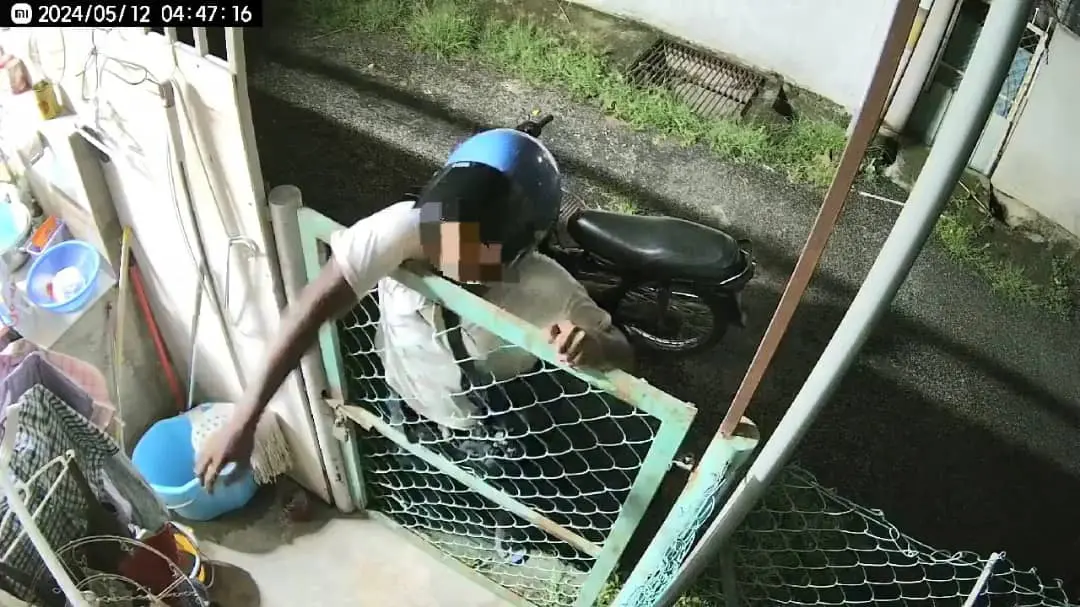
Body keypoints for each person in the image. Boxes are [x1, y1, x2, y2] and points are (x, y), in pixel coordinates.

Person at [196, 127, 633, 489]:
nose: (442, 265)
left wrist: (594, 347)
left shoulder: (545, 284)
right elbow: (306, 314)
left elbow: (623, 350)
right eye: (436, 246)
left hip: (482, 422)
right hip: (402, 394)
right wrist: (243, 420)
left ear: (520, 250)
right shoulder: (408, 226)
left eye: (474, 267)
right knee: (418, 469)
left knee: (495, 486)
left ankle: (509, 529)